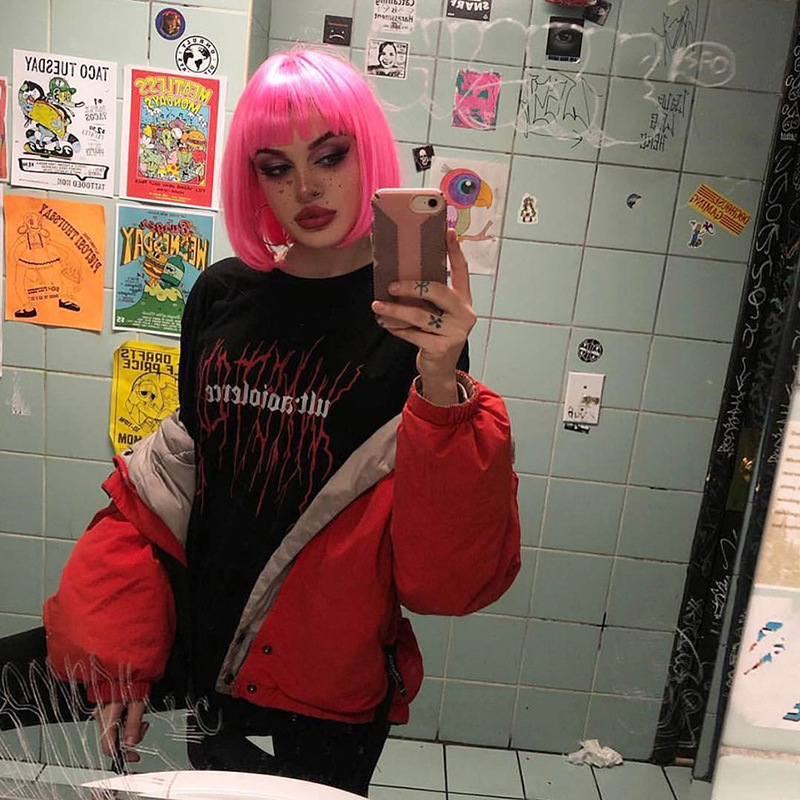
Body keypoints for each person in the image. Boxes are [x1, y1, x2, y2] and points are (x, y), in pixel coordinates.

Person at [0, 49, 520, 796]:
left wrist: (442, 381)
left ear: (368, 154)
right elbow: (175, 484)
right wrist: (120, 648)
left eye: (330, 156)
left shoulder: (411, 324)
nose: (305, 187)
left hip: (324, 688)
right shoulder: (220, 296)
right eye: (276, 167)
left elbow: (443, 577)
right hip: (202, 648)